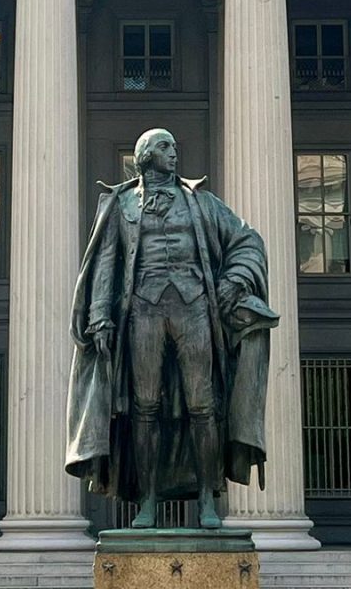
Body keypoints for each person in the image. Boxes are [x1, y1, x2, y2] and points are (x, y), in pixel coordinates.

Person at [65, 128, 276, 529]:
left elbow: (247, 240)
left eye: (176, 147)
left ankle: (207, 499)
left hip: (195, 309)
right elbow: (106, 262)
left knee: (203, 406)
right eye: (165, 147)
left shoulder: (201, 202)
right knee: (144, 408)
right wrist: (99, 315)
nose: (174, 153)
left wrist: (234, 279)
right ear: (145, 155)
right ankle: (147, 501)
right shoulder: (121, 204)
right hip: (142, 311)